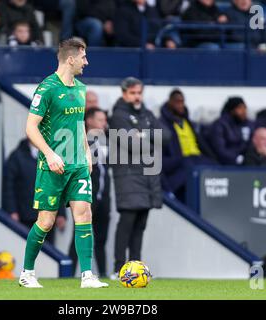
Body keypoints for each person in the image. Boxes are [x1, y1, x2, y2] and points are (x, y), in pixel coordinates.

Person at [19, 38, 108, 288]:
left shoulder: (80, 89)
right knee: (46, 221)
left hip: (77, 164)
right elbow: (30, 127)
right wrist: (49, 153)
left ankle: (87, 276)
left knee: (84, 214)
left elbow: (79, 126)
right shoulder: (46, 88)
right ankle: (27, 273)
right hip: (53, 165)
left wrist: (87, 154)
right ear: (71, 59)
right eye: (83, 57)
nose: (86, 62)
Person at [109, 77, 170, 278]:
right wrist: (150, 137)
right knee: (127, 222)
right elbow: (131, 145)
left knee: (140, 226)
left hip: (147, 176)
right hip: (127, 175)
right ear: (124, 93)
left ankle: (135, 268)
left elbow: (167, 137)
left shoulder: (146, 113)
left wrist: (142, 134)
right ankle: (119, 268)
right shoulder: (118, 115)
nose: (137, 97)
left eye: (139, 93)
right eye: (133, 93)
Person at [68, 108, 111, 277]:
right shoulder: (79, 140)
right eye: (100, 120)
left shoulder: (105, 142)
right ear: (90, 121)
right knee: (79, 234)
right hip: (85, 195)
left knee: (101, 239)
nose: (104, 124)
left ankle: (104, 274)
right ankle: (69, 274)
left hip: (103, 197)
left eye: (105, 120)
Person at [2, 138, 66, 243]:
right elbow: (8, 186)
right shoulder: (17, 156)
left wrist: (61, 213)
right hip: (25, 217)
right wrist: (12, 211)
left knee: (48, 255)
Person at [159, 88, 216, 203]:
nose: (180, 105)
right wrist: (180, 160)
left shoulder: (189, 123)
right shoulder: (161, 125)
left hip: (197, 161)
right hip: (180, 167)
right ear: (170, 102)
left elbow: (203, 146)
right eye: (177, 102)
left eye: (182, 102)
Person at [208, 96, 254, 165]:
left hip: (247, 162)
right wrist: (237, 158)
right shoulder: (220, 125)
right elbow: (220, 149)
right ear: (232, 110)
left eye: (245, 108)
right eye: (240, 108)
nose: (244, 111)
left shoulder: (249, 124)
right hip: (225, 164)